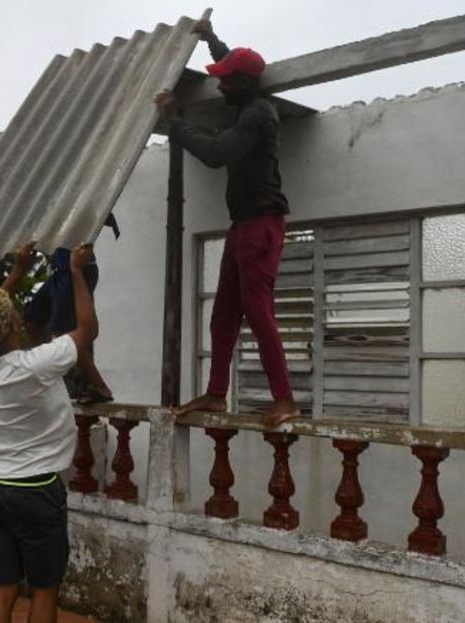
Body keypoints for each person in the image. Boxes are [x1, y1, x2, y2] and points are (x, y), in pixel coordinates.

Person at [154, 18, 300, 427]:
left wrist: (175, 123)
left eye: (225, 80)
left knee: (258, 309)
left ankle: (285, 400)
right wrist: (212, 41)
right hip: (243, 225)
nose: (217, 85)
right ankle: (217, 394)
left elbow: (218, 153)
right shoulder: (247, 99)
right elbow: (233, 64)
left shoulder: (257, 116)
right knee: (223, 314)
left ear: (243, 84)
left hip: (261, 224)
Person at [0, 241, 97, 623]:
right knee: (43, 594)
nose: (22, 318)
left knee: (1, 594)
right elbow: (87, 329)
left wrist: (18, 272)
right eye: (15, 317)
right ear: (11, 325)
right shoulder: (34, 366)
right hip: (35, 493)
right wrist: (75, 272)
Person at [23, 245, 113, 404]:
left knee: (65, 333)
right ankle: (47, 370)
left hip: (76, 268)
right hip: (60, 272)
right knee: (32, 318)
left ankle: (100, 387)